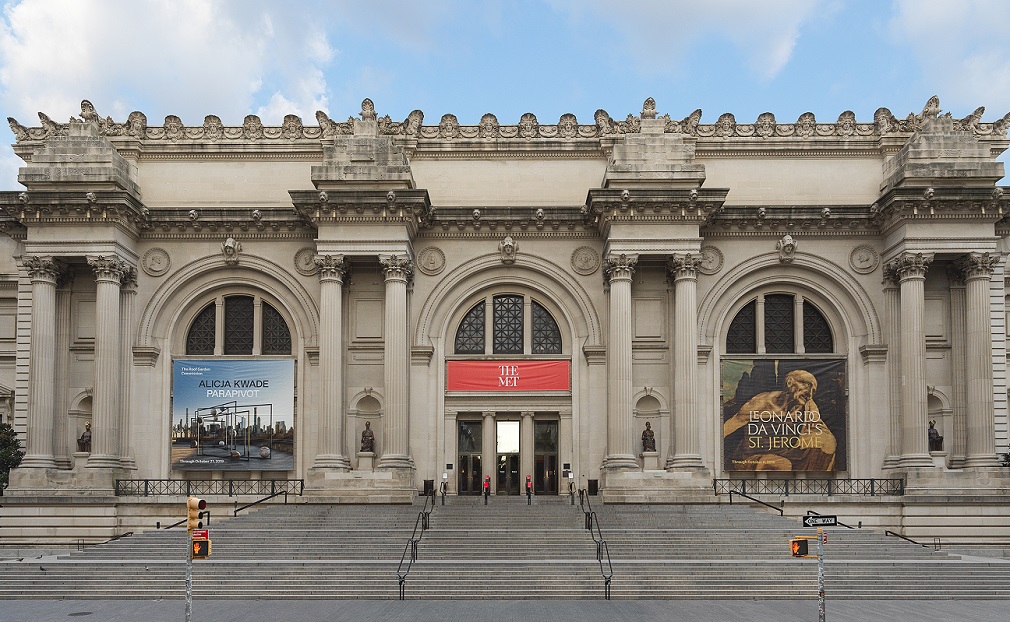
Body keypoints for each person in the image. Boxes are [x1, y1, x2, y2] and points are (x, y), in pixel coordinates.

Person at [723, 369, 836, 471]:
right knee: (780, 465)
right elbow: (733, 423)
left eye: (813, 391)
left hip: (793, 455)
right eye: (807, 385)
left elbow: (820, 430)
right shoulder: (763, 402)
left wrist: (822, 440)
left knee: (823, 449)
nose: (810, 394)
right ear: (790, 382)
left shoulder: (808, 406)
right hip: (755, 455)